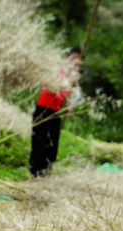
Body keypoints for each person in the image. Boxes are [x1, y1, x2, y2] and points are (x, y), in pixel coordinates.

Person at [29, 47, 82, 177]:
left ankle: (47, 170)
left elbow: (74, 93)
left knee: (53, 143)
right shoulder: (56, 69)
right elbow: (53, 87)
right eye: (73, 58)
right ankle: (36, 171)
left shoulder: (74, 75)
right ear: (67, 58)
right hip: (43, 109)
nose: (75, 61)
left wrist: (71, 103)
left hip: (56, 111)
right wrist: (67, 82)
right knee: (39, 141)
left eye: (78, 59)